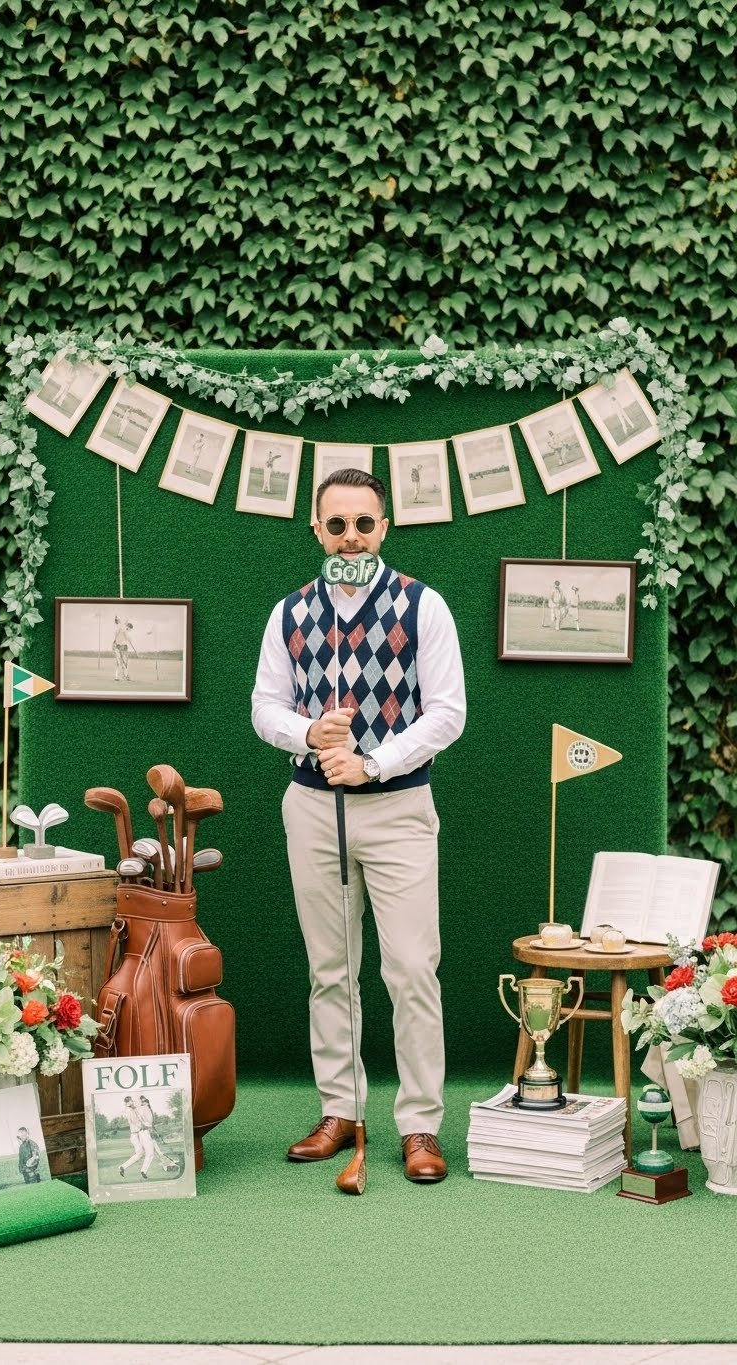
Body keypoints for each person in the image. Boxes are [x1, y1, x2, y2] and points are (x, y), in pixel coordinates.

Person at [252, 468, 466, 1182]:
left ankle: (419, 1124)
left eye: (363, 523)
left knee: (410, 968)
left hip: (400, 808)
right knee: (330, 969)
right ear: (316, 529)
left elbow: (447, 711)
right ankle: (340, 1109)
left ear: (385, 527)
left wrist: (373, 763)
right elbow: (264, 708)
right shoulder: (289, 613)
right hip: (312, 807)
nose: (351, 535)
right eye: (336, 523)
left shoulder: (422, 605)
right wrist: (310, 733)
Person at [138, 1094, 179, 1172]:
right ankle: (168, 1165)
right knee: (157, 1151)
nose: (143, 1103)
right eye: (142, 1101)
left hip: (150, 1131)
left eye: (144, 1101)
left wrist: (153, 1130)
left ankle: (168, 1166)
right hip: (148, 1133)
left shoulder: (148, 1109)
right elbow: (146, 1123)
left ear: (147, 1102)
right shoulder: (144, 1110)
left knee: (158, 1151)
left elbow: (150, 1123)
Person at [118, 1096, 154, 1180]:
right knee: (149, 1153)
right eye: (130, 1101)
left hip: (137, 1134)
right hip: (140, 1133)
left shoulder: (135, 1109)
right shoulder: (130, 1110)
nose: (132, 1102)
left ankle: (123, 1167)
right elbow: (145, 1122)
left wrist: (132, 1106)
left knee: (140, 1153)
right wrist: (132, 1106)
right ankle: (143, 1171)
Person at [112, 616, 138, 682]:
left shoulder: (125, 631)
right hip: (117, 647)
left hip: (124, 647)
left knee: (124, 663)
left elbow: (127, 639)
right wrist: (119, 620)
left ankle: (125, 676)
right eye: (129, 628)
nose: (129, 629)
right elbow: (120, 628)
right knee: (119, 663)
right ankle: (117, 677)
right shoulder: (120, 629)